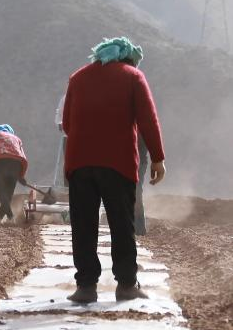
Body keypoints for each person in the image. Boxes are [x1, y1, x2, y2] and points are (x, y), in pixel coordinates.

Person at [63, 37, 166, 303]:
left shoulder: (77, 78)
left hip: (80, 162)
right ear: (129, 59)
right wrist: (157, 158)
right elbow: (148, 119)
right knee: (121, 224)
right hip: (117, 163)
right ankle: (126, 285)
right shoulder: (133, 77)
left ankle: (86, 287)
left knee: (83, 224)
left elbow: (66, 123)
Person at [135, 135, 148, 236]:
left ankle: (139, 228)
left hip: (139, 161)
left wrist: (158, 160)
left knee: (136, 190)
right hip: (121, 160)